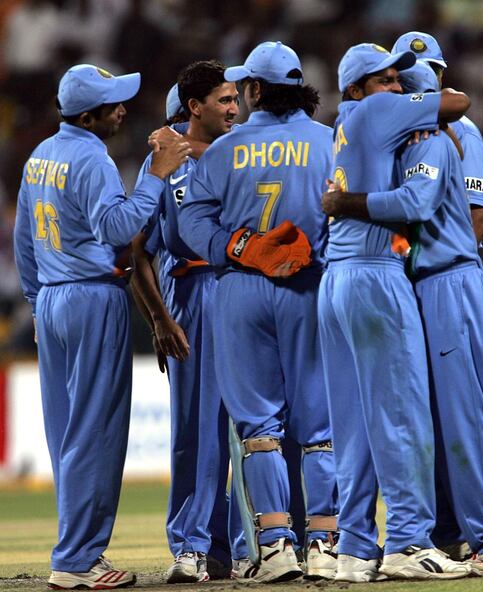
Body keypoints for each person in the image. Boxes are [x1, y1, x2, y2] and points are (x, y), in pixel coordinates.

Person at [322, 60, 483, 576]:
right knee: (407, 416)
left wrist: (346, 202)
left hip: (446, 278)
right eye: (389, 78)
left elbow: (420, 203)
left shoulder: (432, 137)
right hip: (404, 279)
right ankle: (429, 537)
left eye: (402, 81)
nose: (396, 86)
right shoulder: (393, 135)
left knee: (460, 413)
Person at [13, 64, 190, 590]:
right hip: (93, 297)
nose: (122, 109)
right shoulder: (92, 157)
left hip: (51, 299)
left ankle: (73, 551)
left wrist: (35, 302)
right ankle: (77, 560)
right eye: (113, 104)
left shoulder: (41, 155)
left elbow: (25, 239)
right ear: (87, 116)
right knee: (97, 433)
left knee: (67, 435)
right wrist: (155, 176)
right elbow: (117, 228)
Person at [177, 41, 338, 583]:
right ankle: (325, 544)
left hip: (242, 289)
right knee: (319, 425)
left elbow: (191, 224)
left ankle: (274, 546)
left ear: (254, 91)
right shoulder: (328, 142)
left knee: (259, 429)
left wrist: (242, 247)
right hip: (310, 285)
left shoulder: (224, 149)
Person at [129, 61, 240, 584]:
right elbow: (138, 252)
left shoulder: (241, 151)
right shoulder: (163, 161)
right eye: (223, 100)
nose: (235, 109)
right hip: (193, 292)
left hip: (248, 287)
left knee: (255, 427)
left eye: (236, 99)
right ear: (189, 111)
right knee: (197, 429)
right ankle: (192, 545)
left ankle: (240, 543)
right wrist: (159, 316)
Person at [392, 31, 483, 244]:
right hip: (398, 263)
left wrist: (456, 263)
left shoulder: (464, 130)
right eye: (410, 72)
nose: (422, 77)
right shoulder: (385, 127)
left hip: (442, 264)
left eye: (432, 69)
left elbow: (479, 216)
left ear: (441, 76)